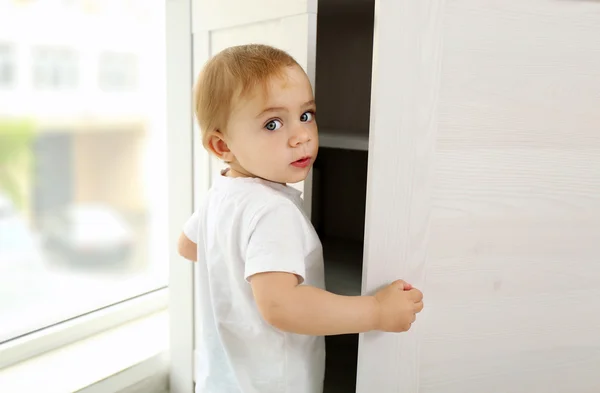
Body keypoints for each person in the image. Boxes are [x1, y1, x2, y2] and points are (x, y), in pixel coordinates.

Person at [177, 44, 424, 393]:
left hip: (221, 378)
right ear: (222, 146)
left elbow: (188, 246)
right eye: (273, 123)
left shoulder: (221, 194)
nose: (301, 135)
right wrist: (375, 311)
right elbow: (282, 305)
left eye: (306, 115)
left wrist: (235, 266)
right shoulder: (272, 211)